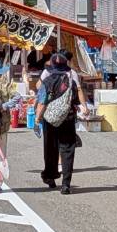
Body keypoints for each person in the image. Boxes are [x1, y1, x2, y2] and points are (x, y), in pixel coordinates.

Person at [35, 52, 84, 194]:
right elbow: (75, 98)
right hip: (67, 118)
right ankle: (66, 184)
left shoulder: (47, 81)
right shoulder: (70, 78)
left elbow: (42, 102)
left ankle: (50, 177)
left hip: (49, 120)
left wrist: (37, 119)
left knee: (50, 148)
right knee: (67, 150)